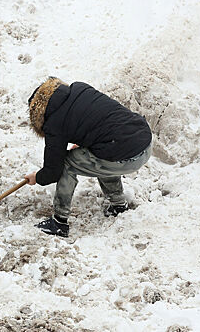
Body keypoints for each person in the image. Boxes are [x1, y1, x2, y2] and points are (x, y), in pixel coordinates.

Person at [24, 77, 152, 237]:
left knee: (67, 163)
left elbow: (53, 171)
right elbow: (100, 122)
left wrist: (38, 177)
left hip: (123, 155)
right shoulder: (80, 89)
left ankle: (59, 222)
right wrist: (85, 142)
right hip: (144, 142)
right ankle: (118, 205)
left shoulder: (53, 123)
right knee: (100, 153)